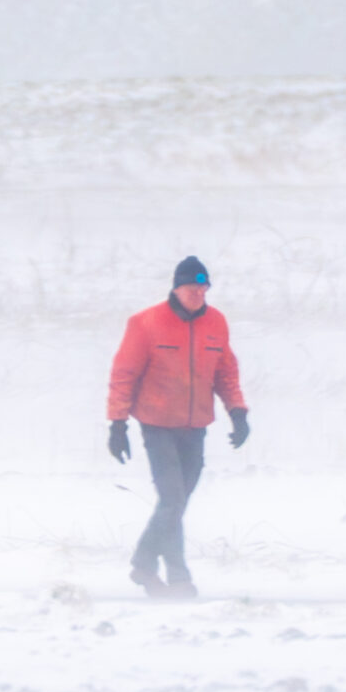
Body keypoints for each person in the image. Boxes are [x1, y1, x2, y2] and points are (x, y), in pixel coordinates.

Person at [106, 256, 249, 598]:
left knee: (177, 503)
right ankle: (168, 572)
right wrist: (118, 424)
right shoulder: (146, 323)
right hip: (157, 425)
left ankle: (159, 571)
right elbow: (124, 374)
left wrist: (238, 412)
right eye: (191, 288)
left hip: (195, 426)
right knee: (172, 499)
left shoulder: (216, 322)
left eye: (204, 287)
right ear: (176, 288)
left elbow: (226, 372)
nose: (198, 293)